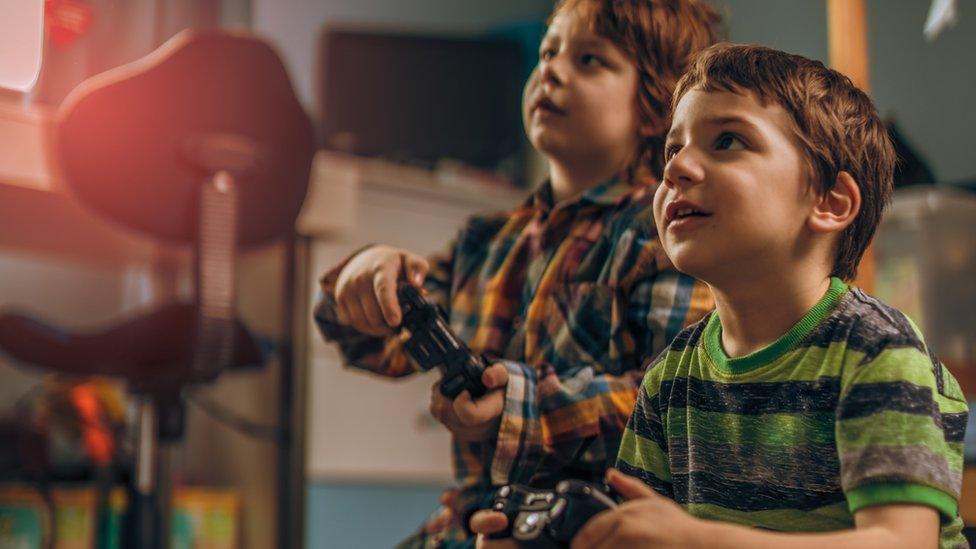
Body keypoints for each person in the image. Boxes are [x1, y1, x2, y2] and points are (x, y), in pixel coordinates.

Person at [475, 43, 968, 548]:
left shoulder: (876, 350)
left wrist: (697, 541)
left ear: (830, 201)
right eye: (673, 149)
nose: (675, 169)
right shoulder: (670, 379)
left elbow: (902, 542)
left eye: (727, 141)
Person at [313, 1, 720, 546]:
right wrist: (359, 281)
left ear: (653, 107)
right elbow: (374, 346)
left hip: (592, 531)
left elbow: (671, 410)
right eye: (548, 52)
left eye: (590, 60)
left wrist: (521, 406)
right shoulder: (483, 242)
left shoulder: (664, 236)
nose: (551, 69)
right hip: (472, 521)